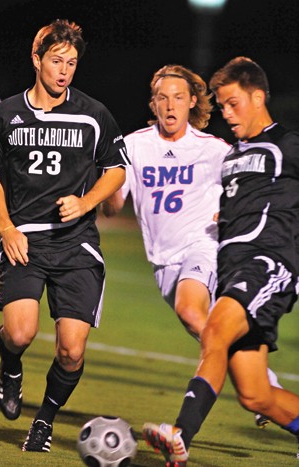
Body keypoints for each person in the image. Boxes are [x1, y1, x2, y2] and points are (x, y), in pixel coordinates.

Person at [0, 19, 129, 452]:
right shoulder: (4, 115)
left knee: (71, 351)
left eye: (72, 63)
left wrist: (87, 201)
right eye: (57, 61)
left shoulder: (93, 114)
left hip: (76, 244)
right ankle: (10, 368)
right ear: (36, 58)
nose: (64, 71)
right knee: (19, 334)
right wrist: (6, 228)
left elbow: (116, 169)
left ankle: (43, 423)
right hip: (25, 239)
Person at [103, 63, 279, 431]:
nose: (170, 105)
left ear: (191, 102)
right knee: (209, 329)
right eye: (163, 98)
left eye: (178, 98)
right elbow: (114, 205)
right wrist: (102, 184)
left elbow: (247, 182)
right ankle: (267, 389)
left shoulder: (213, 149)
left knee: (191, 311)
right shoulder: (133, 146)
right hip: (162, 261)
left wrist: (229, 212)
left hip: (204, 247)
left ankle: (191, 426)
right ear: (153, 104)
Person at [142, 57, 299, 466]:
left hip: (269, 263)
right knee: (254, 394)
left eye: (233, 104)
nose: (225, 114)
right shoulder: (231, 158)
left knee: (212, 329)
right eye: (222, 106)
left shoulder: (287, 144)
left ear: (257, 96)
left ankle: (180, 435)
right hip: (236, 269)